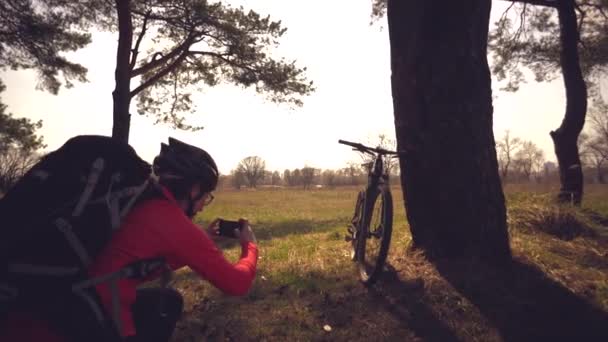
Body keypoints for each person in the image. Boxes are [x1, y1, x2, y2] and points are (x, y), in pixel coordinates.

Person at [0, 137, 259, 342]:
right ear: (193, 189)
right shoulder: (170, 219)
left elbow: (131, 269)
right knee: (164, 306)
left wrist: (195, 245)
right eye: (206, 195)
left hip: (52, 305)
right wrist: (250, 246)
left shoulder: (133, 203)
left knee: (168, 301)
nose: (204, 204)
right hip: (87, 320)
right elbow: (236, 284)